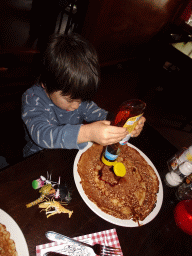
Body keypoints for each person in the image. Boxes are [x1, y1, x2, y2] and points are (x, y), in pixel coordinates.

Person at [22, 33, 145, 157]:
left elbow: (101, 115)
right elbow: (42, 135)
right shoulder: (32, 98)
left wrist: (123, 123)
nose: (76, 105)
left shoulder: (77, 95)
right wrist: (87, 133)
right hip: (38, 156)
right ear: (45, 83)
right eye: (70, 100)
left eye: (81, 100)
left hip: (70, 153)